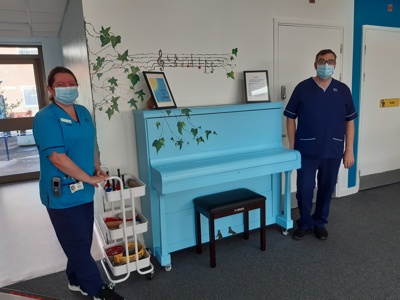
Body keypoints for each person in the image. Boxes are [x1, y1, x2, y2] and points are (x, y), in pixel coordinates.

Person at [33, 66, 125, 300]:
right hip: (61, 193)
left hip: (84, 190)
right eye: (61, 84)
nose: (67, 88)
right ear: (50, 89)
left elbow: (87, 145)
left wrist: (96, 167)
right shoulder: (46, 118)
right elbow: (58, 158)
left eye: (70, 83)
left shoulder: (83, 112)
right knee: (75, 242)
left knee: (81, 239)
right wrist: (90, 179)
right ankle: (97, 290)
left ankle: (76, 279)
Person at [284, 49, 357, 241]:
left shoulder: (343, 90)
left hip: (332, 150)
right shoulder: (303, 88)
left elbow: (350, 121)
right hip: (306, 150)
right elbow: (290, 117)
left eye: (330, 61)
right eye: (322, 61)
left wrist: (349, 150)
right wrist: (292, 146)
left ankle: (320, 222)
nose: (326, 65)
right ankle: (305, 222)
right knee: (304, 189)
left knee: (326, 188)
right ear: (315, 64)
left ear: (335, 64)